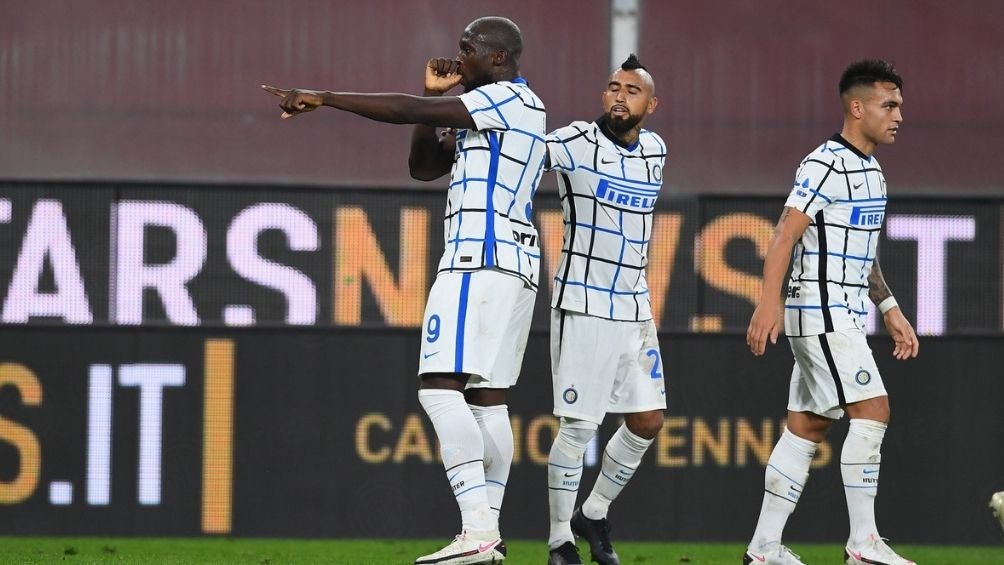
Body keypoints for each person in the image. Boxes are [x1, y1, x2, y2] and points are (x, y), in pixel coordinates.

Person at [263, 16, 546, 565]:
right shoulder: (506, 110)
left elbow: (406, 111)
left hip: (478, 259)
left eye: (468, 50)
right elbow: (422, 167)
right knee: (487, 399)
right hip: (515, 266)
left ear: (498, 58)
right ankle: (487, 533)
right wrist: (432, 98)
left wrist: (326, 97)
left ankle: (479, 531)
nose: (457, 59)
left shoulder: (505, 99)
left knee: (438, 389)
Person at [744, 59, 919, 565]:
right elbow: (785, 233)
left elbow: (862, 253)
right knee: (873, 410)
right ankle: (863, 543)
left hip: (842, 312)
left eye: (900, 105)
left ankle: (763, 549)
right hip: (820, 311)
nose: (898, 115)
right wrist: (768, 302)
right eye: (889, 105)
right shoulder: (825, 163)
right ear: (857, 107)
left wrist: (889, 307)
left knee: (807, 425)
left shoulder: (873, 172)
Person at [542, 54, 666, 565]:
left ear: (651, 105)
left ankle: (592, 514)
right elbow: (526, 157)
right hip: (585, 302)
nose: (620, 96)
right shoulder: (575, 141)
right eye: (613, 87)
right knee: (578, 428)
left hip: (636, 308)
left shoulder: (656, 150)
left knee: (648, 421)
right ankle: (559, 541)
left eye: (632, 90)